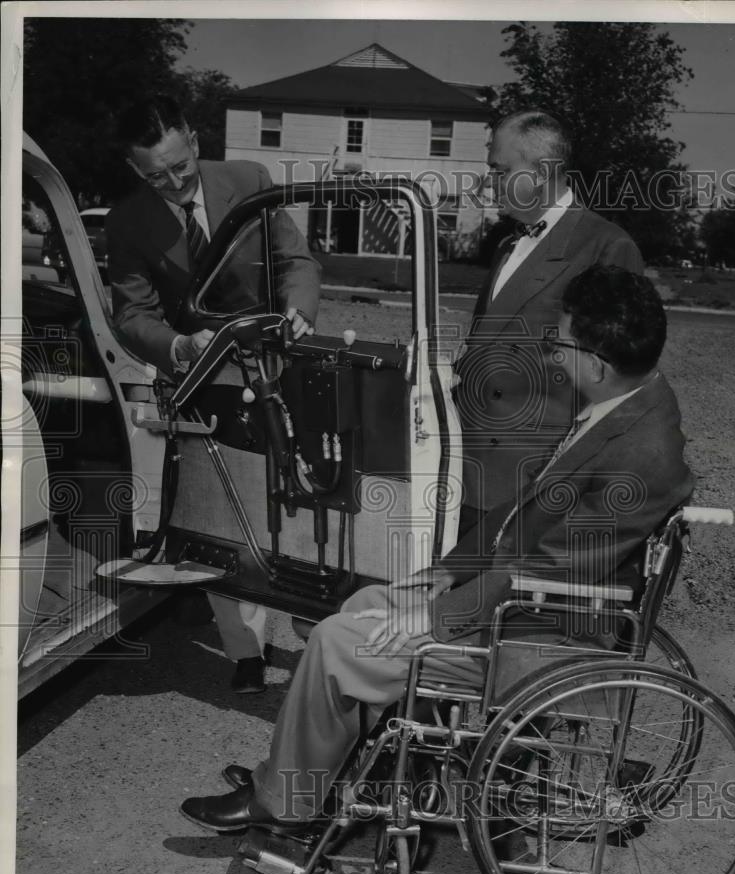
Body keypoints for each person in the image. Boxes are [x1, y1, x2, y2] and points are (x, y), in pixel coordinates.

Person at [179, 265, 693, 835]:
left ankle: (287, 802)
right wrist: (449, 572)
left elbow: (546, 571)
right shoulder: (627, 405)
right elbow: (525, 510)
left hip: (542, 634)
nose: (552, 357)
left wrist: (436, 616)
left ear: (597, 363)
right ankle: (341, 776)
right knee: (358, 607)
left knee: (333, 644)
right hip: (523, 605)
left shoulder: (642, 455)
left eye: (560, 344)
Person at [106, 95, 321, 694]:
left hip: (276, 370)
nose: (173, 183)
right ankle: (245, 651)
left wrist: (298, 313)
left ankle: (323, 641)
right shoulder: (127, 221)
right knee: (220, 521)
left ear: (194, 141)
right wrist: (177, 346)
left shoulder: (250, 180)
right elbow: (132, 315)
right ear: (134, 170)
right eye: (155, 175)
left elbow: (294, 260)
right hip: (200, 384)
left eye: (180, 167)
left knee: (298, 507)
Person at [454, 110, 644, 538]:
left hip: (530, 486)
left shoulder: (606, 246)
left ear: (542, 172)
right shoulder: (508, 245)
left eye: (500, 171)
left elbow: (616, 391)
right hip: (464, 474)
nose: (490, 183)